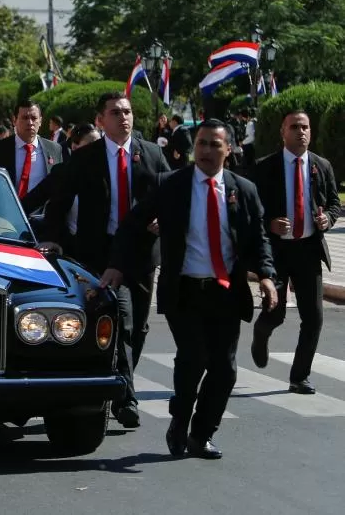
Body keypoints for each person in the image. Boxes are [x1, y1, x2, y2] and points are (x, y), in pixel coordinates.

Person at [100, 119, 278, 459]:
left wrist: (267, 276)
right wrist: (116, 266)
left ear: (229, 149)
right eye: (202, 144)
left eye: (215, 144)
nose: (207, 151)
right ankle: (179, 421)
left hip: (226, 290)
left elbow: (259, 240)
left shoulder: (244, 190)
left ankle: (202, 433)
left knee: (225, 369)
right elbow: (132, 225)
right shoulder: (171, 185)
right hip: (185, 290)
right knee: (193, 359)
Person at [43, 91, 170, 429]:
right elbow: (59, 199)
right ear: (101, 120)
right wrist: (52, 237)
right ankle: (125, 397)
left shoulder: (153, 155)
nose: (123, 118)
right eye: (115, 113)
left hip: (142, 252)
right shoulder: (87, 158)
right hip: (100, 252)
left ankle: (121, 379)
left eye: (127, 112)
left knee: (139, 327)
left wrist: (165, 219)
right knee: (122, 322)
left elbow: (173, 193)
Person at [251, 110, 341, 394]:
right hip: (276, 251)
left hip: (308, 249)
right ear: (283, 131)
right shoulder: (266, 166)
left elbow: (334, 203)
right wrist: (269, 224)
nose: (301, 132)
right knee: (275, 314)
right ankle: (260, 333)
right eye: (295, 127)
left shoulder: (321, 165)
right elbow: (250, 210)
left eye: (305, 127)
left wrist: (328, 218)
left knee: (313, 318)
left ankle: (299, 376)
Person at [21, 124, 101, 253]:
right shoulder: (62, 173)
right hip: (68, 248)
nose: (99, 149)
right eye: (93, 144)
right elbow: (32, 201)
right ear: (75, 147)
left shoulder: (107, 175)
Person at [0, 100, 64, 211]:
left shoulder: (54, 150)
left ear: (40, 121)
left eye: (34, 118)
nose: (30, 122)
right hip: (6, 216)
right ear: (14, 120)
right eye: (25, 118)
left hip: (43, 220)